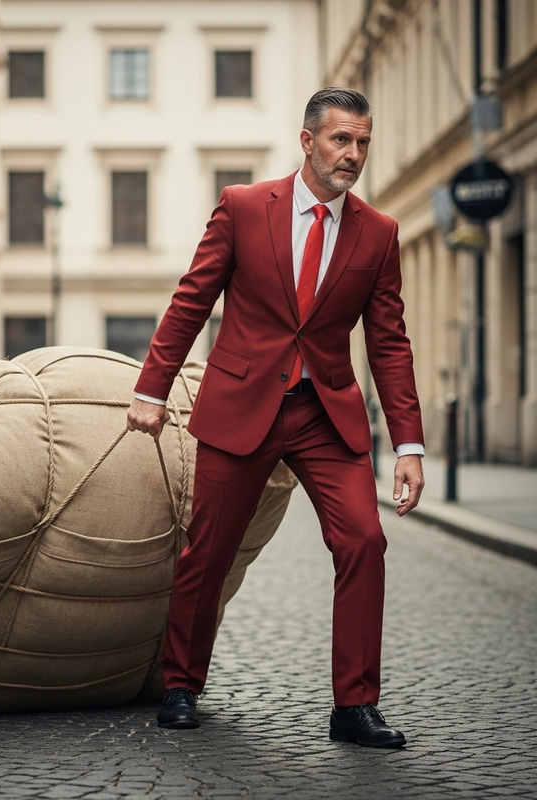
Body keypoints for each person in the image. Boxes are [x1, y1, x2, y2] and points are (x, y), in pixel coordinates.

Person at [126, 87, 425, 748]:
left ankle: (354, 705)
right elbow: (190, 302)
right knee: (208, 550)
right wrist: (153, 389)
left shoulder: (378, 233)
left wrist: (409, 444)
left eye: (363, 142)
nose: (353, 154)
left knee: (363, 543)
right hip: (241, 407)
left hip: (327, 415)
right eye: (341, 139)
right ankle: (180, 684)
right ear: (308, 141)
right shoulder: (242, 208)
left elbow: (389, 342)